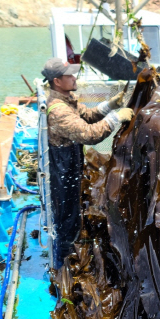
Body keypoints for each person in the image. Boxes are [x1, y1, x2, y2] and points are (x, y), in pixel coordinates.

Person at [42, 57, 134, 269]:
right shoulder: (58, 110)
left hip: (69, 163)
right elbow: (89, 134)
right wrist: (116, 118)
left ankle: (70, 252)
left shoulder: (67, 100)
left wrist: (110, 105)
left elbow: (88, 115)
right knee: (66, 215)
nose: (74, 78)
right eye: (69, 75)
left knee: (72, 211)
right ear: (57, 81)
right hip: (61, 167)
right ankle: (64, 264)